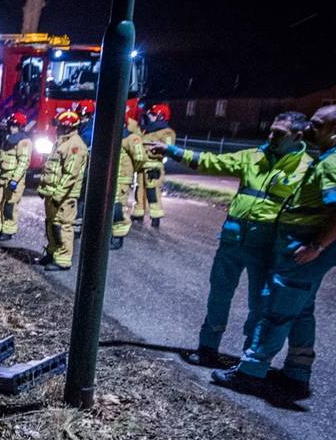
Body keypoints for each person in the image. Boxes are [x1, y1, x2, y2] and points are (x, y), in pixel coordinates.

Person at [214, 104, 336, 399]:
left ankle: (251, 371)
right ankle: (297, 373)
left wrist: (316, 247)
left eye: (317, 125)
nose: (308, 129)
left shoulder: (335, 163)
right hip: (306, 250)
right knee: (302, 312)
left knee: (276, 310)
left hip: (302, 251)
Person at [147, 112, 312, 368]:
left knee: (260, 305)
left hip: (266, 246)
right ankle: (208, 348)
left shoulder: (306, 169)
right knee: (219, 296)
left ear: (298, 137)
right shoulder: (254, 156)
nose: (270, 136)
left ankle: (248, 359)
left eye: (278, 133)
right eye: (271, 130)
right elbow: (212, 162)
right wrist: (172, 151)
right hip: (232, 240)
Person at [36, 110, 88, 271]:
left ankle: (63, 259)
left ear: (68, 127)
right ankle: (52, 253)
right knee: (51, 223)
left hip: (64, 196)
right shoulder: (61, 142)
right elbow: (51, 168)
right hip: (53, 193)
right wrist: (44, 188)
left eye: (60, 125)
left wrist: (58, 194)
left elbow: (70, 174)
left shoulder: (75, 145)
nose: (57, 128)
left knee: (63, 226)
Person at [0, 112, 31, 240]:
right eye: (11, 125)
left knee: (10, 206)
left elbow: (23, 163)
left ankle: (8, 231)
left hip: (14, 179)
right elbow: (0, 159)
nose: (12, 128)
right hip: (3, 177)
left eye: (15, 126)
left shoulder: (24, 142)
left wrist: (15, 180)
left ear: (20, 127)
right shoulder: (7, 139)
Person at [110, 111, 148, 250]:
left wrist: (131, 171)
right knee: (109, 209)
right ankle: (109, 235)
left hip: (121, 180)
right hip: (110, 180)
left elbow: (140, 158)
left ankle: (117, 239)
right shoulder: (113, 137)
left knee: (118, 209)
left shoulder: (132, 139)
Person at [135, 103, 176, 228]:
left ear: (160, 116)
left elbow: (168, 148)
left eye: (152, 115)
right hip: (142, 166)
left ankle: (155, 216)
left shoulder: (167, 132)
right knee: (140, 190)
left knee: (153, 192)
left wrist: (154, 151)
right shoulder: (147, 130)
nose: (150, 117)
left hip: (154, 166)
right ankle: (138, 212)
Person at [74, 99, 97, 232]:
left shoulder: (88, 132)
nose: (80, 118)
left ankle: (78, 227)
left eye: (82, 115)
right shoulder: (87, 127)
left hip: (86, 168)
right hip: (87, 167)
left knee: (81, 196)